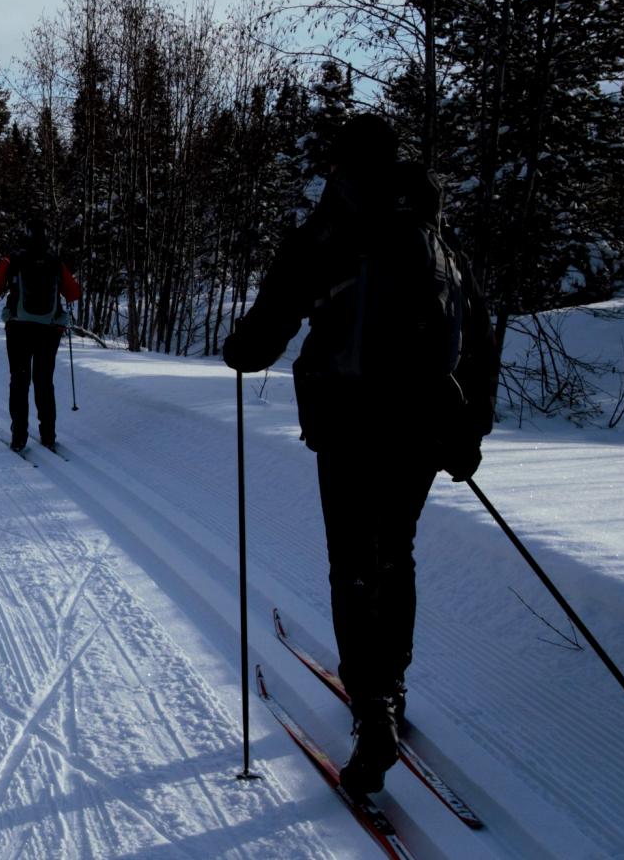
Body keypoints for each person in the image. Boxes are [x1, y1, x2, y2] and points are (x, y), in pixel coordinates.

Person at [221, 113, 497, 797]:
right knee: (393, 551)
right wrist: (469, 432)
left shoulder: (328, 230)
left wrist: (242, 352)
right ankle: (391, 688)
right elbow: (478, 332)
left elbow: (271, 323)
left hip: (347, 419)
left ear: (342, 165)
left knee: (353, 562)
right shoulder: (434, 233)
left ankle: (371, 710)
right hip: (423, 429)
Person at [0, 220, 82, 452]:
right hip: (49, 330)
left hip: (19, 329)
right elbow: (74, 293)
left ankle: (19, 436)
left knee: (19, 380)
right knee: (44, 381)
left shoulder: (13, 260)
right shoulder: (55, 262)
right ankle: (48, 435)